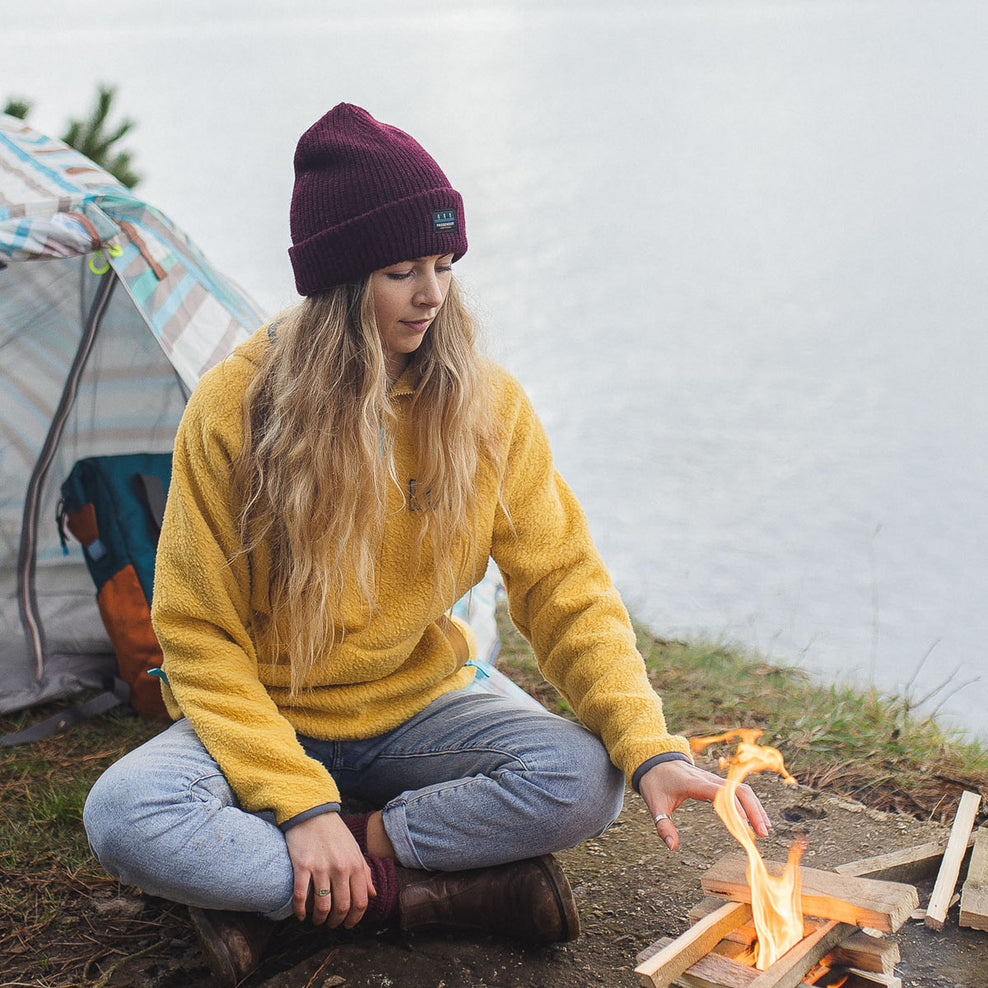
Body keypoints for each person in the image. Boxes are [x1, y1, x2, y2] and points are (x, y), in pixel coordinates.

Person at [83, 104, 769, 987]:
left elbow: (563, 585)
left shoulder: (487, 408)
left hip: (418, 708)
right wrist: (296, 803)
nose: (432, 294)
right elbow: (196, 632)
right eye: (401, 270)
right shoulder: (232, 409)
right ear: (335, 285)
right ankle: (423, 890)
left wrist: (653, 748)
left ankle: (328, 874)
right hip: (264, 714)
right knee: (127, 816)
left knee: (583, 781)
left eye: (444, 265)